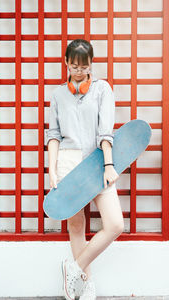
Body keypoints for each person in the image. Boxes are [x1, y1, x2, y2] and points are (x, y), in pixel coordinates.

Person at [46, 39, 124, 300]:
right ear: (66, 63)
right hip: (68, 163)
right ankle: (85, 284)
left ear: (91, 64)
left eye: (84, 66)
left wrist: (109, 164)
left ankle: (74, 267)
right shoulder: (57, 95)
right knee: (76, 226)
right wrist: (52, 168)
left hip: (97, 162)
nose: (79, 71)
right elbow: (54, 135)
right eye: (74, 66)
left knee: (114, 224)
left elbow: (106, 132)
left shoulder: (103, 90)